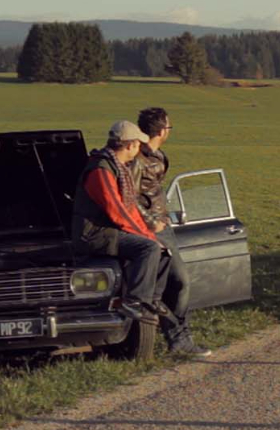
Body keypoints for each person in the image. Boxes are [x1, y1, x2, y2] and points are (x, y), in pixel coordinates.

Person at [132, 107, 212, 356]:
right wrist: (150, 223)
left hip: (164, 226)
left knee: (176, 282)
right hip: (149, 230)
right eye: (169, 126)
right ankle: (176, 337)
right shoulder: (136, 159)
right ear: (161, 131)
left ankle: (176, 335)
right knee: (177, 281)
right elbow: (128, 198)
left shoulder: (159, 156)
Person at [71, 120, 170, 320]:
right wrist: (146, 237)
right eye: (138, 144)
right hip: (94, 235)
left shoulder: (117, 167)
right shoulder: (101, 170)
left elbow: (130, 210)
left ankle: (152, 300)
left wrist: (148, 234)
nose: (139, 149)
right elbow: (116, 211)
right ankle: (133, 302)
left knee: (163, 251)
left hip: (109, 231)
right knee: (149, 248)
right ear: (130, 145)